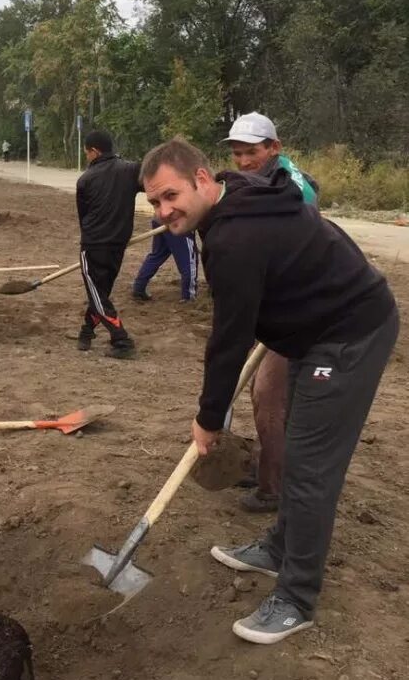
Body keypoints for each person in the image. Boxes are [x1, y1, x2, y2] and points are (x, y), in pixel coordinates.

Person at [141, 137, 398, 644]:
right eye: (153, 203)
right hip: (316, 327)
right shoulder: (237, 195)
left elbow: (229, 338)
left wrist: (209, 417)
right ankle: (280, 546)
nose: (163, 211)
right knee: (297, 450)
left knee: (309, 466)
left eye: (170, 196)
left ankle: (297, 596)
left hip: (350, 332)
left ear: (201, 179)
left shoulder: (234, 239)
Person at [222, 111, 319, 513]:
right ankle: (268, 465)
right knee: (263, 396)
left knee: (268, 395)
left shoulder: (296, 189)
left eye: (252, 152)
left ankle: (272, 488)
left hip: (301, 307)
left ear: (274, 148)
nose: (243, 161)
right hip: (273, 304)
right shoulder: (258, 181)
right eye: (238, 154)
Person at [76, 130, 142, 359]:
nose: (87, 157)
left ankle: (121, 340)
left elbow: (83, 216)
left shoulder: (85, 179)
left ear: (94, 151)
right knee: (100, 293)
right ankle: (86, 332)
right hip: (118, 244)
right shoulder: (131, 170)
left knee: (98, 294)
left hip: (94, 245)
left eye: (86, 153)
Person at [132, 219, 199, 303]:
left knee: (158, 255)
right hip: (179, 221)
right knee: (189, 261)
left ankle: (139, 287)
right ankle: (189, 296)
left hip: (160, 219)